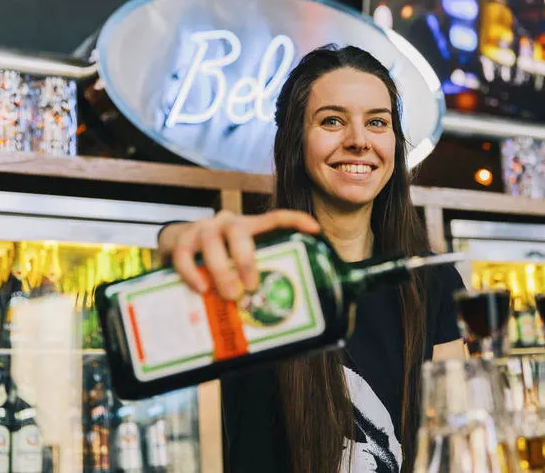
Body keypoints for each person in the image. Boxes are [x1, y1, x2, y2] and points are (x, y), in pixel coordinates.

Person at [158, 45, 465, 473]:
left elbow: (456, 446)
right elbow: (161, 315)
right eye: (333, 121)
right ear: (295, 142)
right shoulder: (250, 278)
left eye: (377, 122)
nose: (358, 140)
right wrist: (174, 238)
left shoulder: (434, 282)